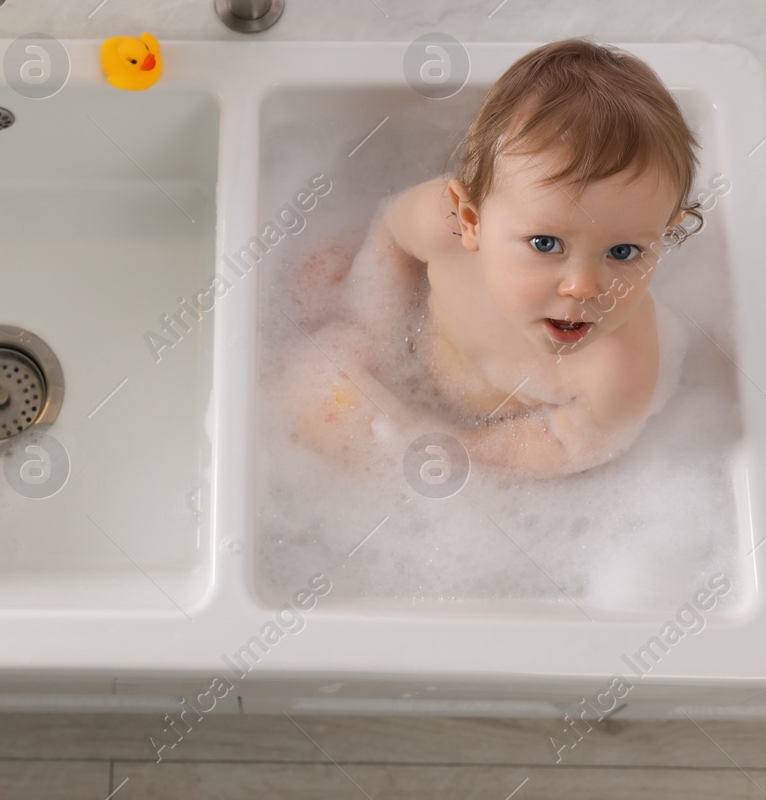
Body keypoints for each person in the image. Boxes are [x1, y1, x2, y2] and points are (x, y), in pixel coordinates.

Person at [290, 38, 703, 478]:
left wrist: (456, 448)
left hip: (487, 427)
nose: (583, 286)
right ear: (471, 220)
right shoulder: (439, 224)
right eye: (546, 244)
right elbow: (392, 233)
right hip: (408, 354)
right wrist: (367, 324)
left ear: (665, 233)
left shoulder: (619, 372)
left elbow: (565, 444)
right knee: (308, 398)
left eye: (623, 251)